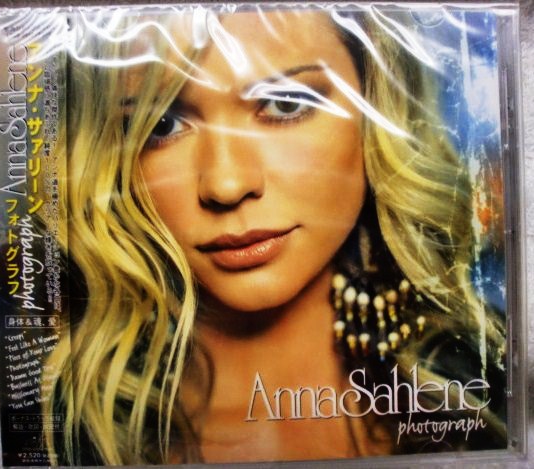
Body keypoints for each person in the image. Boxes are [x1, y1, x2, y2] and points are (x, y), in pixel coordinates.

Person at [43, 6, 506, 465]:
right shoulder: (61, 430)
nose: (227, 185)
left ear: (377, 102)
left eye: (285, 103)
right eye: (162, 124)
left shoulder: (491, 373)